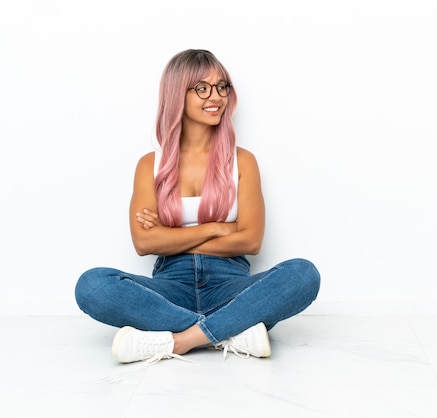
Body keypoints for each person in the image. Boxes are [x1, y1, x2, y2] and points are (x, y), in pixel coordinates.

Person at [74, 49, 320, 364]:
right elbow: (144, 243)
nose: (215, 96)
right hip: (169, 287)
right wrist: (218, 227)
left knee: (303, 274)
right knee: (92, 285)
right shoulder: (150, 165)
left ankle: (180, 341)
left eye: (222, 87)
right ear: (178, 94)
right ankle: (231, 329)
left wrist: (171, 234)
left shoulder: (242, 161)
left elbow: (251, 241)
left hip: (230, 284)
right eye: (202, 88)